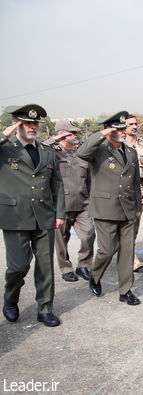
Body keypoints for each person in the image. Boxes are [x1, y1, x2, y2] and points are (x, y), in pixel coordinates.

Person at [0, 104, 65, 327]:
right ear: (17, 123)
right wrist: (3, 135)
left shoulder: (48, 151)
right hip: (15, 216)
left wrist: (59, 213)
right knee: (18, 267)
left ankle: (45, 308)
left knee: (45, 267)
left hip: (44, 216)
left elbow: (57, 184)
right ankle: (10, 298)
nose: (32, 127)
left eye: (35, 123)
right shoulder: (6, 148)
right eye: (27, 122)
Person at [77, 111, 142, 305]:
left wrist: (138, 205)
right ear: (109, 130)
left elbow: (135, 182)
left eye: (124, 128)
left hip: (128, 208)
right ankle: (95, 277)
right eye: (118, 128)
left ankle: (125, 290)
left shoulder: (130, 151)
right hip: (106, 207)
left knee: (127, 251)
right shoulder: (99, 149)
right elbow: (82, 152)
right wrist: (102, 134)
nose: (123, 131)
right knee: (107, 250)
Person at [43, 120, 95, 282]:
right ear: (61, 134)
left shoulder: (81, 154)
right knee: (61, 240)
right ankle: (66, 268)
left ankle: (83, 266)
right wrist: (55, 139)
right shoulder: (52, 153)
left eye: (76, 133)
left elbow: (89, 180)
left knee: (88, 235)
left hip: (83, 204)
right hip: (61, 205)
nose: (75, 135)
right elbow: (40, 148)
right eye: (70, 133)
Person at [123, 114, 143, 271]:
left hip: (139, 190)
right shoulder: (117, 144)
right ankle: (128, 257)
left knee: (134, 225)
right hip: (122, 191)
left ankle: (129, 256)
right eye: (130, 124)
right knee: (124, 225)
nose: (134, 126)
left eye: (136, 123)